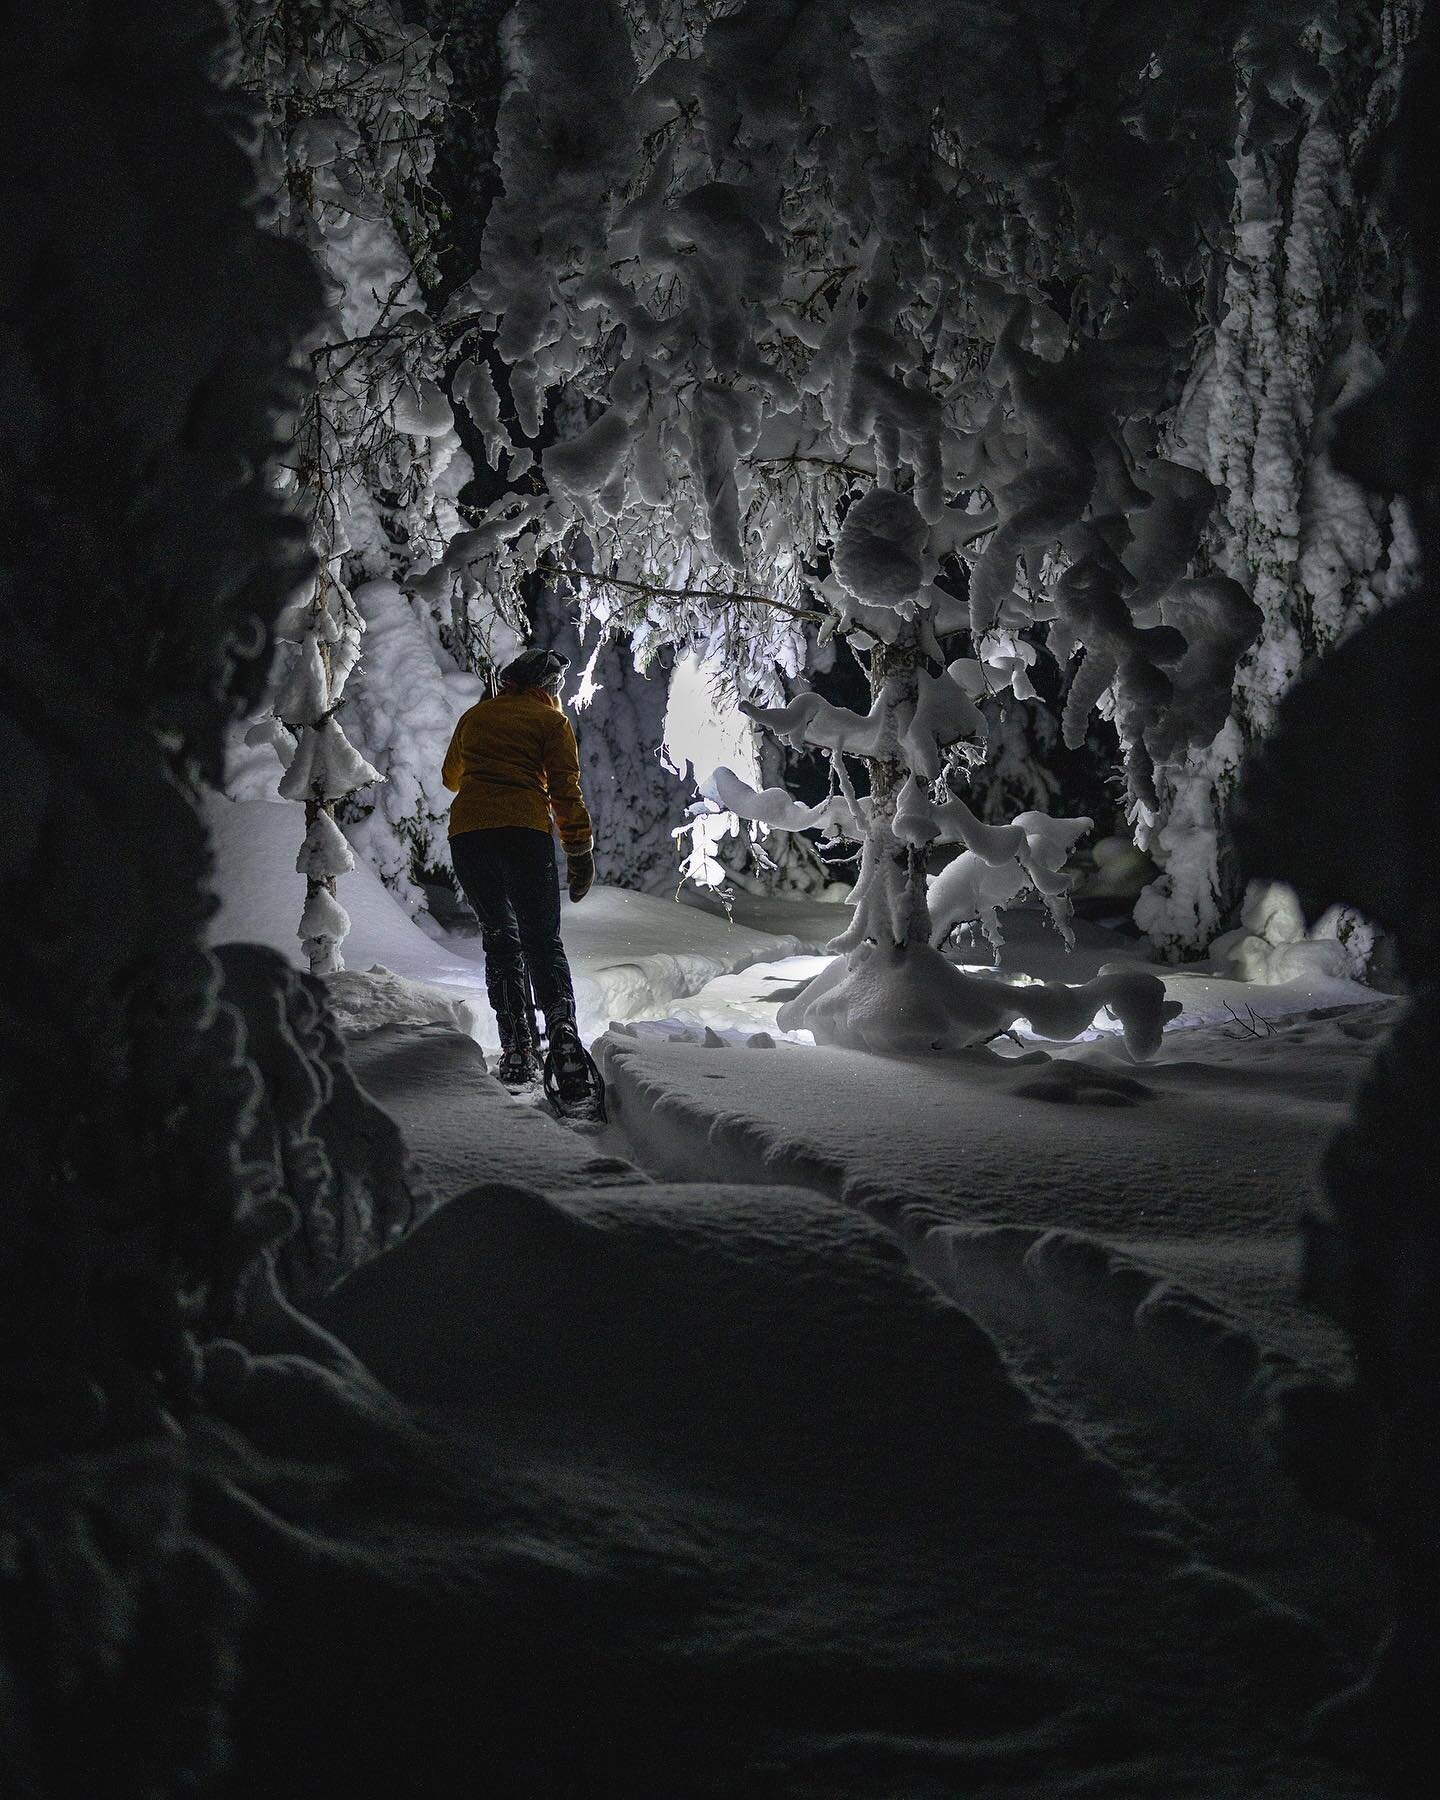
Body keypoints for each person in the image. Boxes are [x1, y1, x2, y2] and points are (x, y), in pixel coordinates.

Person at [441, 648, 598, 1106]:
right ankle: (564, 1040)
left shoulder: (475, 717)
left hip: (469, 836)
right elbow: (566, 790)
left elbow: (452, 778)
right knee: (541, 939)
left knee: (500, 939)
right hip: (524, 833)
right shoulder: (551, 723)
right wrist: (578, 850)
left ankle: (516, 1050)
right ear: (546, 688)